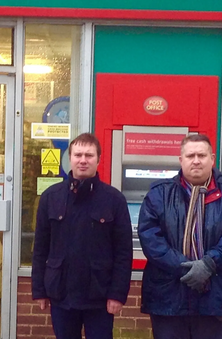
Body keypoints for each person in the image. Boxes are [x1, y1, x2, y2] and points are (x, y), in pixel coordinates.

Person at [138, 134, 222, 339]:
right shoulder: (158, 195)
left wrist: (209, 264)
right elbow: (150, 238)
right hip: (169, 299)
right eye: (190, 155)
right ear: (180, 160)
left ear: (212, 158)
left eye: (201, 155)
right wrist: (185, 267)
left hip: (217, 298)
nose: (196, 160)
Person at [32, 133, 133, 339]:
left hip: (99, 294)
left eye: (89, 155)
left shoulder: (114, 200)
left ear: (98, 159)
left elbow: (123, 253)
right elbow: (41, 248)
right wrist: (40, 290)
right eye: (78, 155)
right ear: (70, 158)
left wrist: (117, 294)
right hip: (61, 294)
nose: (83, 160)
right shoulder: (51, 197)